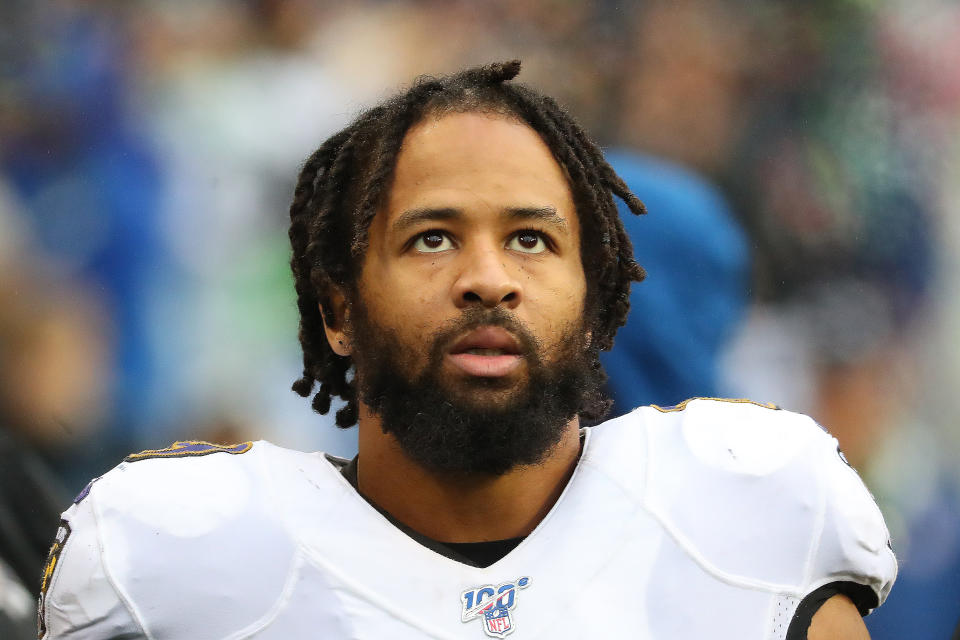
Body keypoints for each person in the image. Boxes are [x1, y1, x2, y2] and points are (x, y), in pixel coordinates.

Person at [38, 61, 894, 639]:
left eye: (530, 240)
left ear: (598, 306)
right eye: (433, 239)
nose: (488, 278)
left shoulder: (758, 510)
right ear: (337, 306)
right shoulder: (165, 559)